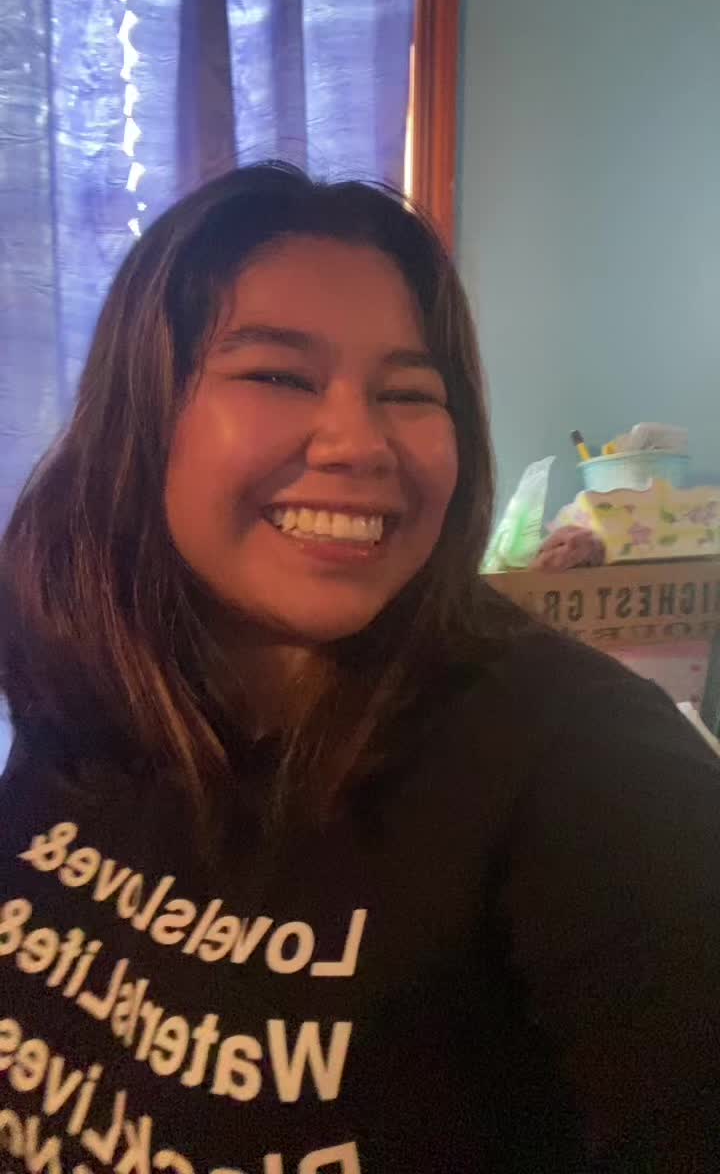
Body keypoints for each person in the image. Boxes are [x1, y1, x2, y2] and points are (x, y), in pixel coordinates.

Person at [0, 163, 719, 1174]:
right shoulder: (86, 685)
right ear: (140, 419)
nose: (361, 442)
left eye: (409, 393)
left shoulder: (587, 765)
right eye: (280, 376)